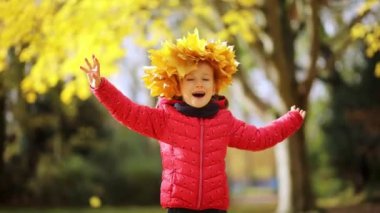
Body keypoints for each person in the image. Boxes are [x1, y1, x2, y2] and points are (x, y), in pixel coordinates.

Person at [80, 30, 305, 213]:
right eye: (191, 79)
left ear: (215, 86)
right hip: (179, 207)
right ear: (177, 86)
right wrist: (101, 86)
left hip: (214, 207)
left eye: (205, 79)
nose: (199, 84)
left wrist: (291, 120)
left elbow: (258, 138)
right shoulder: (165, 119)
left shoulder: (224, 121)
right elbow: (128, 112)